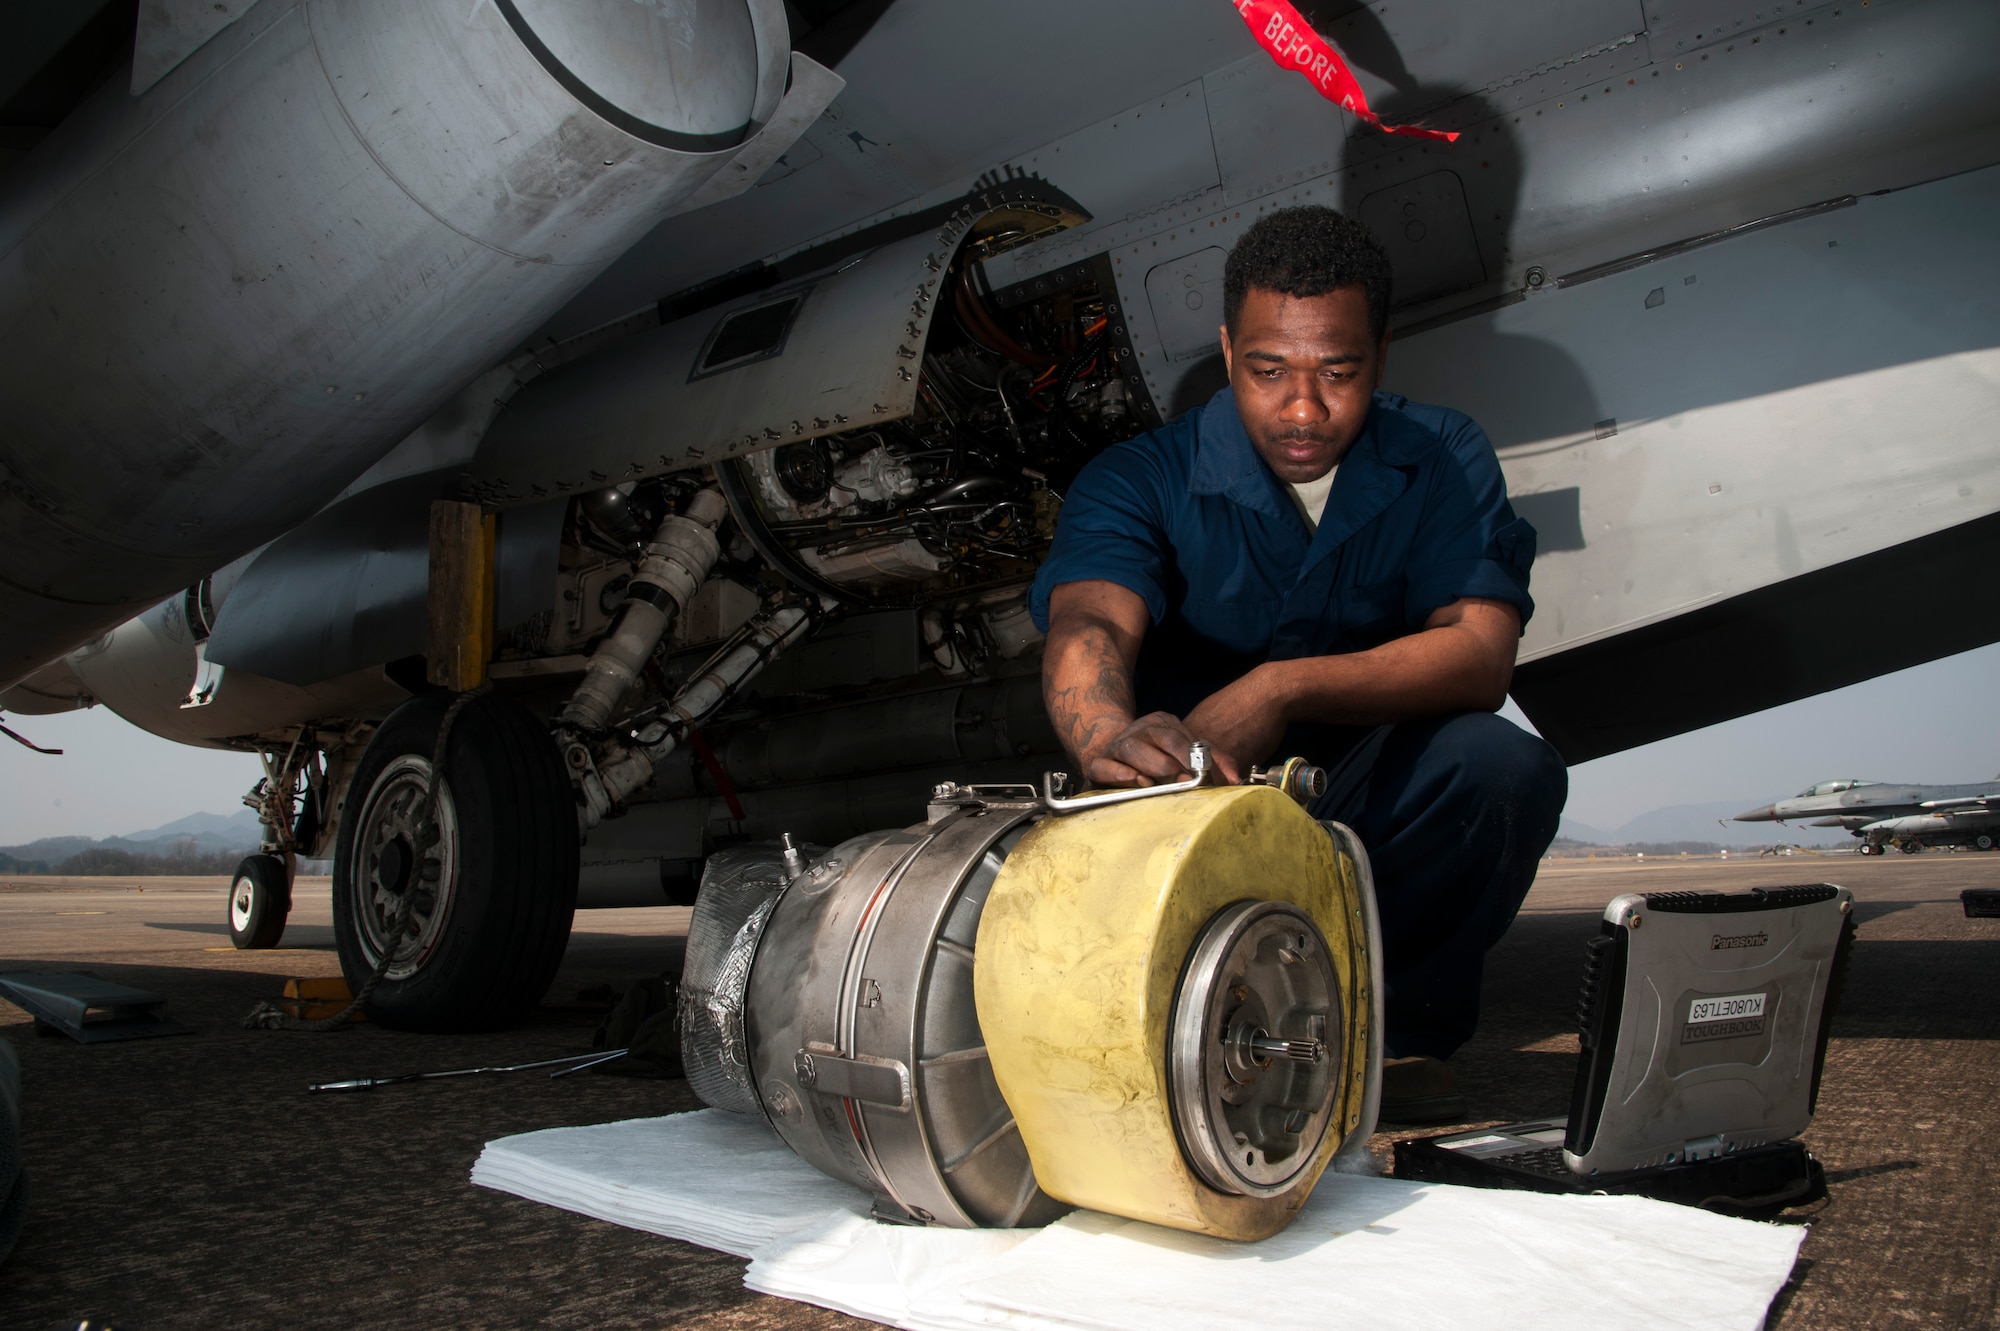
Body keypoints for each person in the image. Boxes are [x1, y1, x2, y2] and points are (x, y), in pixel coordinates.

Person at [1029, 206, 1567, 1123]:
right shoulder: (1138, 477)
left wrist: (1280, 688)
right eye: (1269, 371)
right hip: (1187, 798)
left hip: (1366, 789)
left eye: (1339, 372)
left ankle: (1395, 1038)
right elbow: (1089, 622)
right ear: (1229, 348)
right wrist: (1113, 737)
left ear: (1382, 353)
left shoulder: (1443, 457)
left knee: (1505, 765)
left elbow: (1481, 656)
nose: (1304, 408)